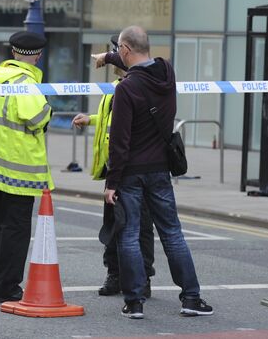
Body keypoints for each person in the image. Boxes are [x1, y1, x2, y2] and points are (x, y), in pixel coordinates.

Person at [104, 25, 213, 319]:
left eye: (119, 51)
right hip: (160, 171)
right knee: (173, 234)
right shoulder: (167, 72)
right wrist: (110, 56)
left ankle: (135, 302)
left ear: (125, 50)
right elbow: (136, 57)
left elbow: (119, 141)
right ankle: (191, 297)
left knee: (128, 237)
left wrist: (112, 182)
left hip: (130, 173)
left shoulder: (126, 88)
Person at [0, 31, 54, 303]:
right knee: (15, 230)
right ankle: (6, 287)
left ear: (12, 52)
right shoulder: (25, 82)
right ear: (37, 56)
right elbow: (37, 118)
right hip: (18, 170)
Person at [72, 35, 155, 299]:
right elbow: (114, 119)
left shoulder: (141, 83)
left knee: (139, 226)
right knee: (113, 224)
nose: (113, 58)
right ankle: (115, 274)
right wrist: (91, 120)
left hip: (135, 166)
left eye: (115, 52)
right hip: (114, 165)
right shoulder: (116, 85)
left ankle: (142, 278)